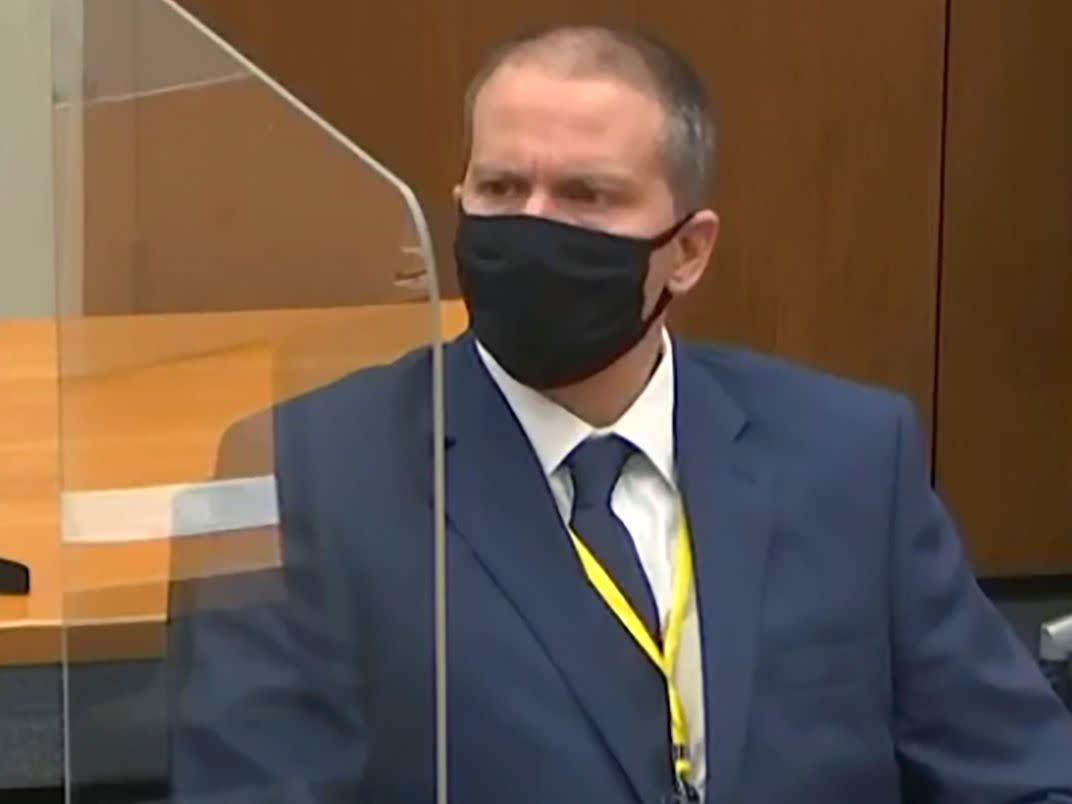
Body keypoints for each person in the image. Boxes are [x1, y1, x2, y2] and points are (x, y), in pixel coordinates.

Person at [170, 24, 1072, 804]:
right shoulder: (309, 472)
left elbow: (1019, 768)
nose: (533, 223)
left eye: (586, 197)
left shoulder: (849, 456)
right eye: (500, 189)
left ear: (686, 252)